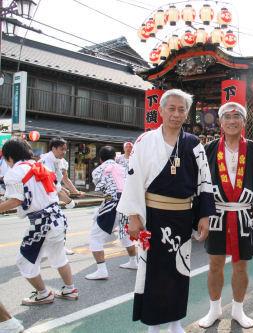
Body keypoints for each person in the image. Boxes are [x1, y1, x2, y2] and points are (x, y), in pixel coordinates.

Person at [117, 89, 216, 333]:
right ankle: (153, 323)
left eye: (181, 109)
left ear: (187, 113)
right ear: (160, 111)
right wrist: (133, 216)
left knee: (179, 269)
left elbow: (205, 180)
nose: (176, 114)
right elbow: (133, 179)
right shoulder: (145, 141)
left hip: (181, 217)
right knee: (152, 270)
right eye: (171, 108)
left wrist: (204, 215)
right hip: (152, 216)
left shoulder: (193, 144)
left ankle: (175, 321)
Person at [199, 102, 253, 329]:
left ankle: (238, 310)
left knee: (240, 266)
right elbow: (201, 183)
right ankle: (214, 310)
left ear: (243, 122)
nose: (232, 121)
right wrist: (201, 215)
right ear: (220, 122)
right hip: (217, 214)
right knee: (214, 264)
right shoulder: (210, 148)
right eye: (227, 117)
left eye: (237, 117)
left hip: (244, 216)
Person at [0, 138, 79, 305]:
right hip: (58, 219)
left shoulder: (14, 173)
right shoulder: (41, 167)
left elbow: (15, 201)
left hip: (41, 223)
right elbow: (58, 191)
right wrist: (70, 202)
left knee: (24, 261)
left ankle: (43, 293)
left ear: (9, 158)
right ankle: (70, 289)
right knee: (58, 257)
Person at [85, 146, 137, 280]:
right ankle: (133, 261)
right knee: (125, 233)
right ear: (115, 157)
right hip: (127, 203)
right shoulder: (124, 169)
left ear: (100, 159)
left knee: (95, 237)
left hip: (112, 204)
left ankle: (101, 270)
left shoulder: (98, 170)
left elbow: (100, 187)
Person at [40, 137, 84, 255]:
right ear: (53, 148)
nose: (64, 152)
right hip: (44, 198)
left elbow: (64, 179)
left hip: (52, 195)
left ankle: (57, 247)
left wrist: (75, 191)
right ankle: (51, 249)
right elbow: (51, 184)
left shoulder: (62, 161)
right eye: (61, 149)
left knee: (57, 224)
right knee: (56, 223)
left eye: (65, 150)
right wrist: (69, 201)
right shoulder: (44, 161)